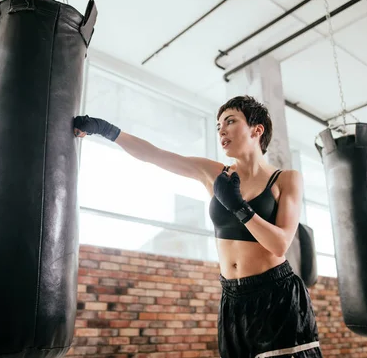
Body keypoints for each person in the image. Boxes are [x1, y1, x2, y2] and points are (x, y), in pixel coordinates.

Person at [73, 95, 322, 358]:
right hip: (232, 298)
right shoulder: (215, 174)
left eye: (230, 121)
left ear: (256, 129)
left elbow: (280, 243)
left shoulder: (285, 179)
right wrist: (105, 130)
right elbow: (155, 155)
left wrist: (239, 206)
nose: (221, 130)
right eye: (217, 126)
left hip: (276, 295)